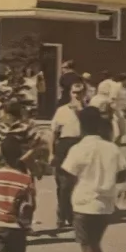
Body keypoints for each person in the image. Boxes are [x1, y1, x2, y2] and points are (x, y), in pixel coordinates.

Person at [61, 106, 126, 252]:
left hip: (83, 203)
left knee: (88, 249)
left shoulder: (79, 149)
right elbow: (123, 175)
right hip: (105, 205)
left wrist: (63, 206)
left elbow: (66, 178)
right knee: (95, 246)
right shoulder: (111, 148)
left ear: (81, 125)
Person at [49, 78, 86, 230]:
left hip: (80, 146)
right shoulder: (61, 111)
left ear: (84, 94)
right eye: (74, 92)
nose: (76, 95)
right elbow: (53, 133)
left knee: (77, 184)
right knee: (63, 185)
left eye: (80, 93)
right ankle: (62, 215)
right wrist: (51, 153)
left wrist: (80, 112)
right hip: (64, 147)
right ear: (70, 93)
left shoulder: (88, 111)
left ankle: (71, 215)